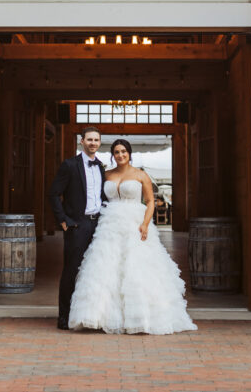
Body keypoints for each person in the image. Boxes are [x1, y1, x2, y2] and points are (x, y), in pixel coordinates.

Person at [67, 138, 197, 334]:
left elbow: (151, 201)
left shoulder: (141, 175)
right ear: (112, 155)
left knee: (136, 268)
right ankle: (99, 316)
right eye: (116, 152)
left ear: (129, 153)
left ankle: (141, 317)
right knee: (105, 267)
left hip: (134, 224)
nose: (120, 155)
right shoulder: (106, 174)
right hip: (109, 225)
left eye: (123, 152)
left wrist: (145, 223)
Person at [49, 126, 106, 330]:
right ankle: (64, 317)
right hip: (77, 224)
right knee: (72, 270)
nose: (93, 143)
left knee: (95, 270)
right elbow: (54, 194)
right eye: (89, 140)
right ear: (82, 141)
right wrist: (63, 220)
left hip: (99, 225)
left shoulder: (101, 166)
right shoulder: (70, 165)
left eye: (96, 140)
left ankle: (90, 315)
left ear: (100, 143)